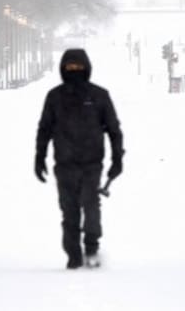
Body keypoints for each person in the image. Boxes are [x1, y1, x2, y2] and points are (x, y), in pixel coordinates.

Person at [35, 48, 124, 269]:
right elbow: (44, 129)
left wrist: (117, 159)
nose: (74, 71)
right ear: (63, 69)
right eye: (70, 67)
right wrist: (39, 157)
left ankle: (91, 247)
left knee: (91, 206)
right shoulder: (55, 97)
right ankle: (73, 255)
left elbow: (114, 129)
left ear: (86, 68)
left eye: (78, 67)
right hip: (64, 165)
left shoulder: (99, 96)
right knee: (69, 211)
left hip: (91, 164)